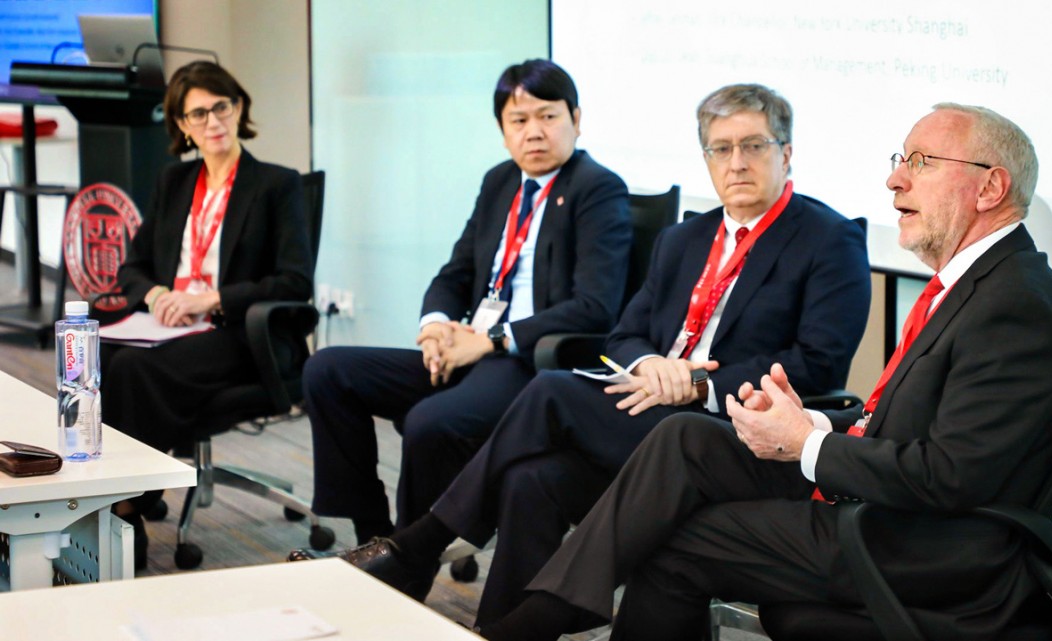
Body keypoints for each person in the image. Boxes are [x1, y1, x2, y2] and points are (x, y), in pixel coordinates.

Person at [474, 103, 1052, 641]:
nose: (894, 179)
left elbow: (951, 477)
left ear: (990, 188)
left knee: (674, 539)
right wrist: (809, 422)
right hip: (885, 499)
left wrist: (808, 445)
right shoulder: (979, 285)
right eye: (900, 160)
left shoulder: (1015, 306)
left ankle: (536, 619)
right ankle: (544, 614)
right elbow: (908, 424)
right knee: (684, 436)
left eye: (921, 163)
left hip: (920, 544)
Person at [292, 83, 873, 629]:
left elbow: (819, 363)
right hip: (646, 409)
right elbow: (624, 335)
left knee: (549, 389)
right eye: (721, 149)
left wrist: (699, 384)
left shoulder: (829, 239)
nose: (737, 162)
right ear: (706, 159)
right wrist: (650, 365)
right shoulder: (684, 238)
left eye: (754, 146)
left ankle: (416, 546)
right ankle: (498, 629)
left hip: (728, 434)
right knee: (530, 479)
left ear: (786, 152)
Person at [299, 59, 632, 547]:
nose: (534, 132)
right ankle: (373, 535)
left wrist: (492, 340)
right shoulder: (500, 182)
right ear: (502, 131)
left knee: (429, 421)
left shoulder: (597, 188)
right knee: (328, 370)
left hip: (531, 364)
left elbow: (595, 305)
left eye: (548, 117)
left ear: (576, 120)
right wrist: (435, 326)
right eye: (519, 121)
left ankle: (407, 561)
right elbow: (455, 273)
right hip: (470, 350)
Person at [100, 60, 314, 569]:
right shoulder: (174, 181)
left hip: (239, 331)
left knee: (132, 368)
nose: (213, 121)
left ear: (239, 109)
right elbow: (132, 267)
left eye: (222, 107)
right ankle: (125, 489)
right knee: (95, 353)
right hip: (169, 325)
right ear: (182, 124)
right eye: (198, 113)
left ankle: (125, 508)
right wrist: (157, 295)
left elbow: (294, 282)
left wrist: (209, 299)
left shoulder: (276, 185)